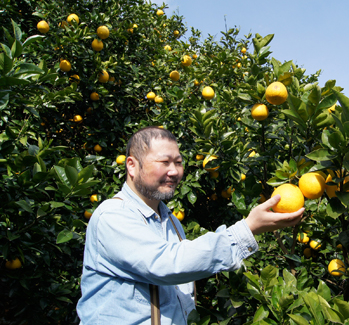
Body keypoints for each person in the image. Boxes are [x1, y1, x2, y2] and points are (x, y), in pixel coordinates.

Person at [77, 126, 304, 324]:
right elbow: (168, 264)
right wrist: (247, 229)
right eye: (164, 162)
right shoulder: (113, 215)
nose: (174, 171)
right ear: (132, 166)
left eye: (178, 162)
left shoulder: (172, 222)